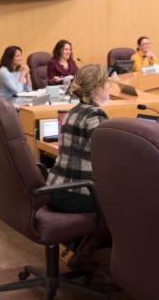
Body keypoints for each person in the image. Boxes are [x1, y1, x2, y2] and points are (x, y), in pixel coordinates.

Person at [46, 64, 112, 272]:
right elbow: (108, 158)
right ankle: (83, 257)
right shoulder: (95, 116)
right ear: (98, 88)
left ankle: (80, 250)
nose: (110, 86)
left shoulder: (73, 112)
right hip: (77, 192)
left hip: (56, 190)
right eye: (107, 82)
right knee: (121, 207)